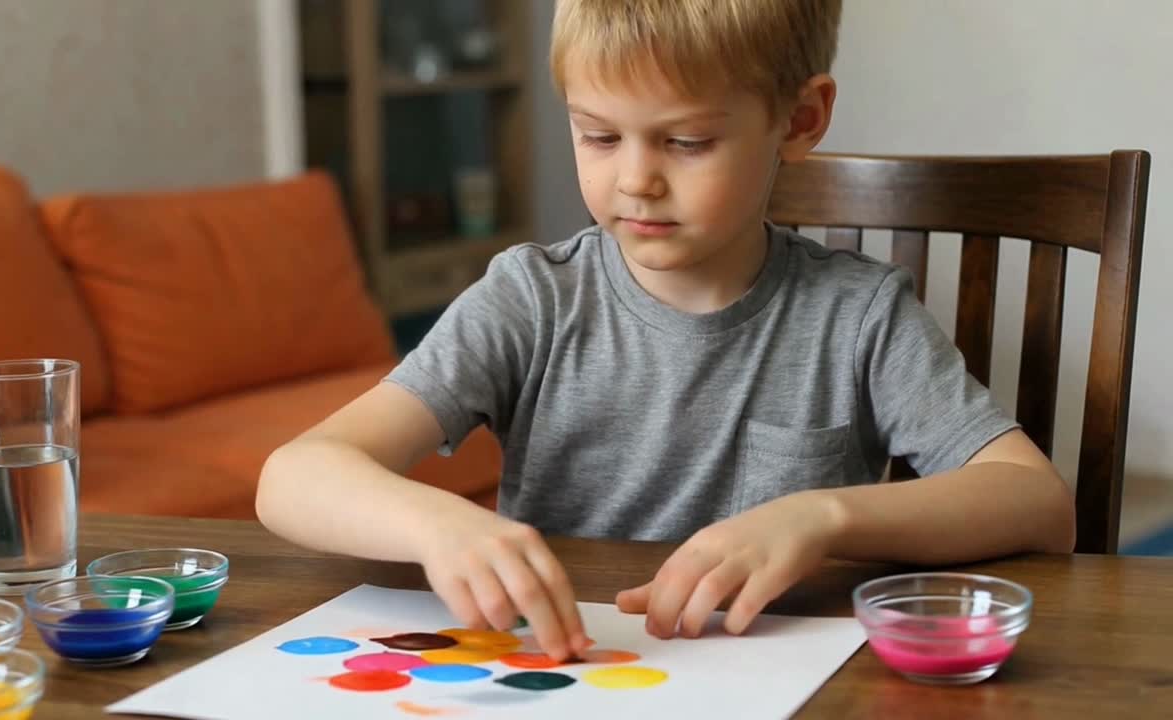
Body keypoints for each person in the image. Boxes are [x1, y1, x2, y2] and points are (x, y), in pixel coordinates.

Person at [256, 0, 1075, 663]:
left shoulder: (858, 316)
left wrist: (825, 517)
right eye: (598, 135)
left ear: (798, 120)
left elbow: (1036, 502)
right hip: (573, 672)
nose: (635, 180)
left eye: (686, 142)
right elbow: (295, 477)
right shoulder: (532, 300)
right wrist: (439, 526)